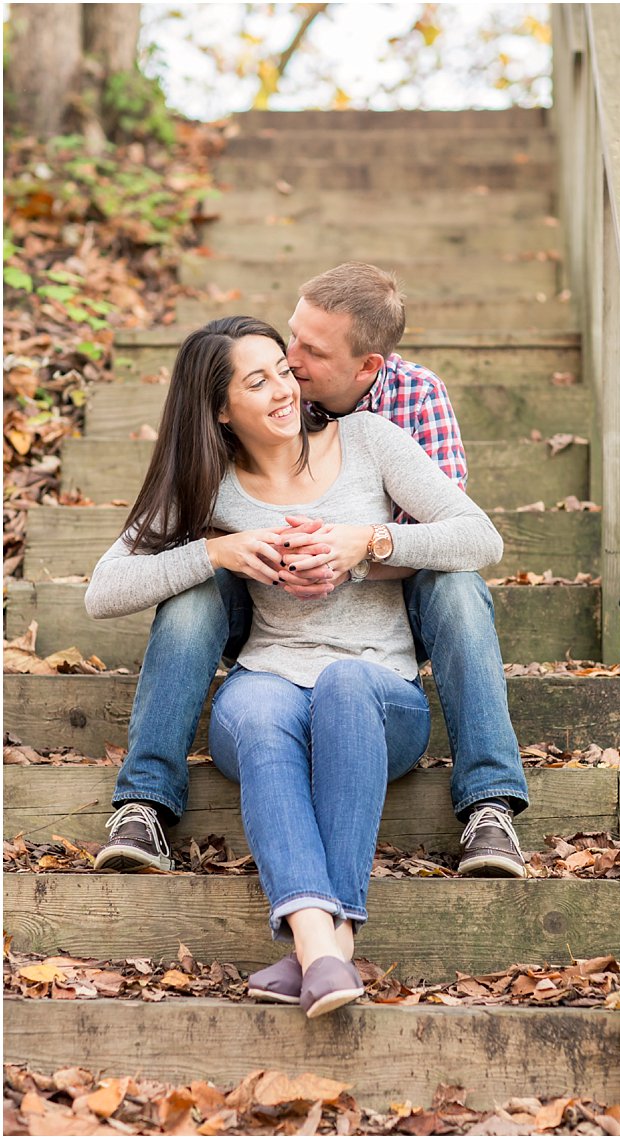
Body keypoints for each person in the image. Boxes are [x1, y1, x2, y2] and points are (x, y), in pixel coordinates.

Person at [86, 316, 505, 1016]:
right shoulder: (211, 481)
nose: (285, 387)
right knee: (255, 704)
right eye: (259, 381)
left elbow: (480, 537)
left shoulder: (370, 442)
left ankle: (318, 945)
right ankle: (326, 947)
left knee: (343, 683)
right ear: (221, 409)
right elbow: (103, 589)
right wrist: (219, 551)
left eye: (283, 368)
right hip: (268, 678)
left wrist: (364, 541)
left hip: (380, 693)